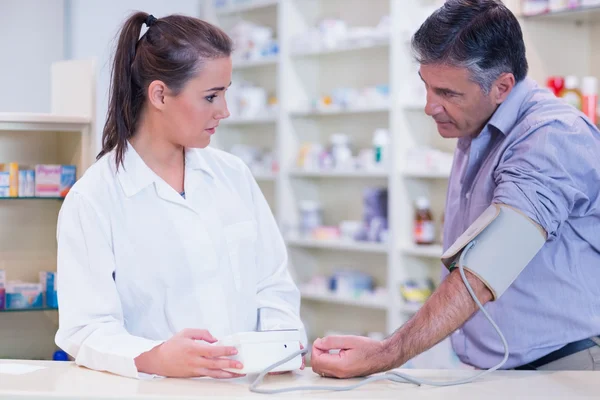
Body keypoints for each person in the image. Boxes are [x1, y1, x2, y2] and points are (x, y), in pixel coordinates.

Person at [311, 0, 600, 377]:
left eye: (447, 93)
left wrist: (384, 354)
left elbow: (482, 270)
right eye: (427, 88)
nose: (430, 106)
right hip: (493, 370)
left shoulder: (552, 136)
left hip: (560, 368)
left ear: (502, 86)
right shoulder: (475, 124)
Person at [55, 12, 305, 379]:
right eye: (211, 96)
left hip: (248, 386)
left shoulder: (232, 175)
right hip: (158, 389)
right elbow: (86, 329)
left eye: (225, 92)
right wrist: (154, 356)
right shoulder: (94, 198)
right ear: (159, 94)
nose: (224, 111)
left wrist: (278, 348)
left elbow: (273, 285)